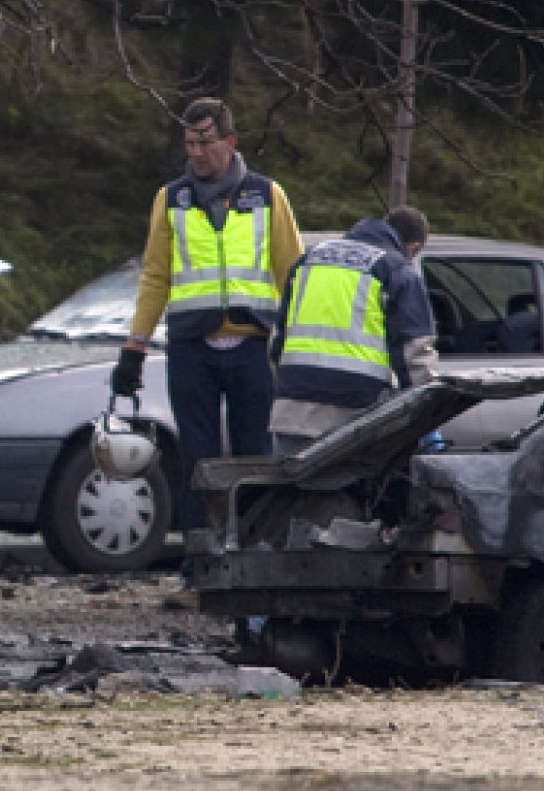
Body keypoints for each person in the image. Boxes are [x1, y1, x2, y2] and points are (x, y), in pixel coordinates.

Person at [111, 97, 304, 537]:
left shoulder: (267, 196)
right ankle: (199, 567)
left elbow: (292, 273)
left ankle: (254, 557)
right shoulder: (172, 199)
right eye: (189, 144)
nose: (196, 153)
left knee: (255, 456)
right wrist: (133, 348)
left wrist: (291, 345)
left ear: (230, 141)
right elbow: (156, 276)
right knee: (197, 458)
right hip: (191, 346)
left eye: (205, 142)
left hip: (253, 344)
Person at [269, 206, 438, 453]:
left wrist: (289, 385)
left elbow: (277, 340)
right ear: (412, 247)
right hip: (357, 413)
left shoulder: (309, 259)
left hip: (294, 408)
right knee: (354, 490)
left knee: (290, 488)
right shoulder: (396, 269)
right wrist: (427, 413)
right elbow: (414, 353)